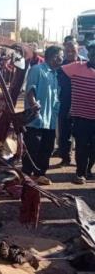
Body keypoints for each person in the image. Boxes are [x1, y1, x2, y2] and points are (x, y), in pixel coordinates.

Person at [22, 45, 63, 185]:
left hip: (50, 120)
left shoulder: (55, 74)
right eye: (60, 56)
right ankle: (26, 175)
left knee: (47, 148)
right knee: (32, 148)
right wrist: (33, 105)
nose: (62, 59)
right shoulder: (37, 70)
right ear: (54, 57)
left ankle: (40, 174)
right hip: (36, 119)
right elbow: (30, 90)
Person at [62, 43, 95, 184]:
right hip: (81, 117)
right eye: (93, 54)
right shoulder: (76, 67)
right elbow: (56, 71)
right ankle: (80, 173)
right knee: (82, 146)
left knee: (94, 148)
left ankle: (88, 169)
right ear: (89, 55)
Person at [56, 36, 83, 166]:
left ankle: (81, 161)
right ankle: (65, 158)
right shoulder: (59, 67)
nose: (70, 53)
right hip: (64, 104)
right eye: (68, 51)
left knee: (81, 134)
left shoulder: (86, 64)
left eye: (73, 50)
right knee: (64, 133)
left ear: (79, 50)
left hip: (83, 105)